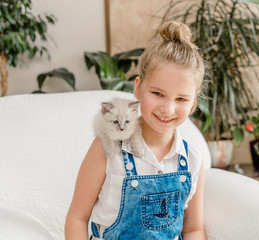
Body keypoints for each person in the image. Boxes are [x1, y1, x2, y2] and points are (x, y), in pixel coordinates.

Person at [65, 20, 207, 240]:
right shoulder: (107, 147)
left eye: (181, 99)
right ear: (138, 88)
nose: (168, 109)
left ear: (193, 103)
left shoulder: (192, 159)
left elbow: (193, 230)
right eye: (157, 94)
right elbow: (77, 217)